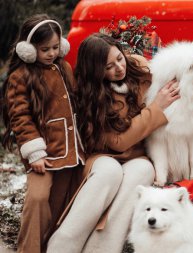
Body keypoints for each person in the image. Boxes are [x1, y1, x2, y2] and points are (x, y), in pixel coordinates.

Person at [47, 33, 180, 253]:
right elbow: (117, 142)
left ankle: (102, 249)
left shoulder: (139, 69)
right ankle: (63, 245)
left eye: (119, 58)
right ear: (96, 71)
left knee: (144, 169)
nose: (119, 68)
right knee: (109, 171)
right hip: (102, 156)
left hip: (136, 156)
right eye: (109, 66)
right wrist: (156, 107)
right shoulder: (90, 95)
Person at [0, 14, 85, 253]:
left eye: (55, 47)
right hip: (43, 153)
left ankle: (49, 246)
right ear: (27, 49)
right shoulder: (21, 76)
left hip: (69, 151)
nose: (50, 53)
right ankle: (29, 248)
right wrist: (35, 152)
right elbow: (20, 116)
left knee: (59, 204)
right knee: (38, 199)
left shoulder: (64, 67)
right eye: (44, 48)